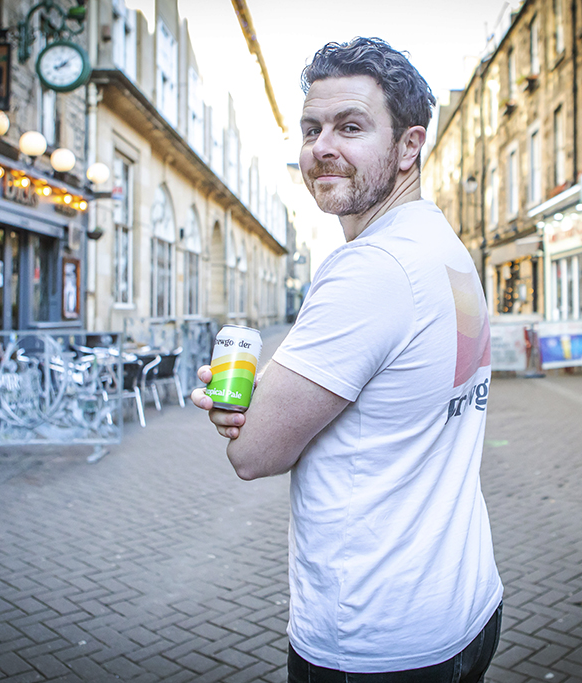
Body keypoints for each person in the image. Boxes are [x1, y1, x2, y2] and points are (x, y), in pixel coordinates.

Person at [191, 37, 503, 682]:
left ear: (409, 146)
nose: (321, 147)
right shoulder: (440, 243)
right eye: (312, 129)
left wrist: (252, 412)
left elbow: (255, 455)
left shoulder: (371, 269)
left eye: (351, 127)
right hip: (463, 607)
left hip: (374, 636)